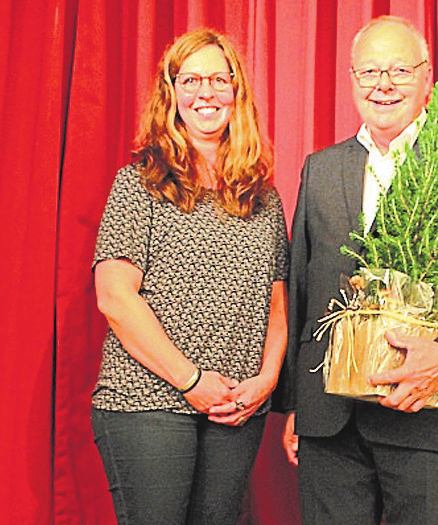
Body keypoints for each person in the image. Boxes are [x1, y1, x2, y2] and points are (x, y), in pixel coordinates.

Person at [276, 16, 438, 525]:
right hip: (329, 422)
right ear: (351, 79)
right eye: (369, 71)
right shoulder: (321, 168)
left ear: (427, 76)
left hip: (426, 414)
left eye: (398, 70)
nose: (382, 84)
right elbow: (303, 281)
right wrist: (297, 403)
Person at [90, 29, 289, 525]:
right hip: (148, 403)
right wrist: (191, 379)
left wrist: (265, 382)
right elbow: (115, 296)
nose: (206, 93)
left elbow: (278, 304)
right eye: (191, 80)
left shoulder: (264, 198)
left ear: (236, 92)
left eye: (219, 80)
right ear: (171, 93)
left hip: (236, 411)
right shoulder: (139, 183)